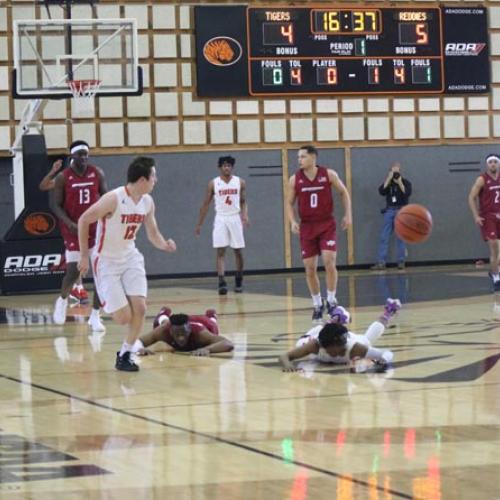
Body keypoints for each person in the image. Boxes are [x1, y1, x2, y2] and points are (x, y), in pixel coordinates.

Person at [78, 156, 177, 372]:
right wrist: (84, 256)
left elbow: (152, 233)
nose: (156, 180)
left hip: (130, 257)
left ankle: (125, 353)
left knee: (140, 309)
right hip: (106, 261)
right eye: (153, 176)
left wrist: (164, 245)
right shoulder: (113, 199)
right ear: (142, 179)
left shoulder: (147, 202)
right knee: (124, 318)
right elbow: (84, 219)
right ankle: (104, 302)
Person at [286, 145, 352, 322]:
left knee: (329, 260)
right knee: (309, 267)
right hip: (307, 226)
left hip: (326, 224)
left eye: (303, 157)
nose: (299, 160)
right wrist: (292, 221)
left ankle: (331, 300)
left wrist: (348, 214)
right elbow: (289, 203)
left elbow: (343, 193)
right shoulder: (295, 179)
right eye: (298, 157)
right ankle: (317, 304)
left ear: (313, 158)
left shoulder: (328, 174)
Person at [50, 140, 107, 329]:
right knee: (73, 271)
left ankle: (95, 315)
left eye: (86, 154)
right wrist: (68, 222)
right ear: (72, 156)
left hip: (94, 229)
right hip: (73, 229)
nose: (84, 157)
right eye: (80, 154)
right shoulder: (63, 177)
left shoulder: (97, 172)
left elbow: (106, 198)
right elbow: (55, 205)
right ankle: (62, 300)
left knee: (101, 274)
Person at [278, 299, 401, 372]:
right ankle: (334, 319)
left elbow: (386, 353)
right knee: (301, 343)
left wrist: (384, 360)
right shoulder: (315, 345)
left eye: (341, 347)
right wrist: (288, 365)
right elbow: (284, 356)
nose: (339, 351)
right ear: (324, 346)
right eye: (336, 349)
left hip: (351, 338)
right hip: (318, 335)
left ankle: (388, 312)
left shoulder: (355, 348)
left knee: (367, 340)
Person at [195, 156, 249, 295]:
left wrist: (245, 215)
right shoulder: (213, 183)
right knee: (220, 251)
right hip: (221, 218)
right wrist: (199, 223)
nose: (227, 168)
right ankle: (221, 282)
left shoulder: (240, 182)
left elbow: (243, 201)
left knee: (238, 251)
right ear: (220, 167)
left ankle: (239, 279)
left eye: (229, 165)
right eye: (224, 165)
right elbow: (206, 204)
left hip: (234, 217)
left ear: (232, 167)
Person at [40, 156, 89, 303]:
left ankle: (78, 286)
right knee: (77, 255)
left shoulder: (90, 179)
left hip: (86, 221)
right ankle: (78, 287)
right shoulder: (64, 179)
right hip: (70, 223)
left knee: (84, 255)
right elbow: (43, 185)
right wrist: (53, 171)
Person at [131, 307, 234, 356]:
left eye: (183, 334)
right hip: (170, 325)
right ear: (170, 332)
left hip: (202, 322)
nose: (181, 338)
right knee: (162, 324)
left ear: (189, 329)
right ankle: (163, 314)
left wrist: (207, 349)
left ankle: (211, 316)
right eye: (177, 334)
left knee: (213, 327)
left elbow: (228, 343)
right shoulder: (164, 331)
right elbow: (137, 341)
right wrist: (139, 349)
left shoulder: (200, 333)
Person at [371, 162, 412, 271]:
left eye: (397, 172)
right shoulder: (388, 183)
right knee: (384, 237)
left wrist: (400, 183)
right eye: (393, 172)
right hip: (389, 210)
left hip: (402, 211)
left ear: (400, 171)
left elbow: (407, 193)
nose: (395, 174)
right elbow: (381, 191)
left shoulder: (405, 182)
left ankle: (401, 261)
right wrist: (388, 179)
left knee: (401, 237)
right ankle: (381, 262)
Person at [468, 154, 500, 292]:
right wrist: (476, 215)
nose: (493, 164)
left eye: (495, 162)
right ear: (487, 164)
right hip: (488, 217)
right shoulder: (482, 179)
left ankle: (493, 271)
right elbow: (471, 197)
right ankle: (496, 276)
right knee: (494, 245)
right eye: (490, 162)